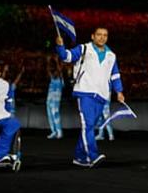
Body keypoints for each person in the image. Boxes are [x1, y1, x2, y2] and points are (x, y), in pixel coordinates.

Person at [56, 27, 124, 168]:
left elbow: (115, 75)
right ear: (93, 36)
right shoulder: (84, 48)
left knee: (90, 126)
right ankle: (92, 155)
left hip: (102, 95)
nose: (102, 37)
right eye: (99, 34)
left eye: (105, 35)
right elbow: (66, 57)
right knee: (88, 125)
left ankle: (80, 157)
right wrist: (60, 46)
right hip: (85, 92)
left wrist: (119, 91)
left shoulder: (111, 55)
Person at [45, 56, 64, 139]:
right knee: (50, 115)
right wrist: (48, 61)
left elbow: (60, 70)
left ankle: (59, 132)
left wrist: (56, 61)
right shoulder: (52, 78)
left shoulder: (60, 80)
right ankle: (53, 131)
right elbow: (48, 71)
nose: (55, 73)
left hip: (56, 100)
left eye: (56, 72)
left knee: (55, 114)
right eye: (54, 72)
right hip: (49, 100)